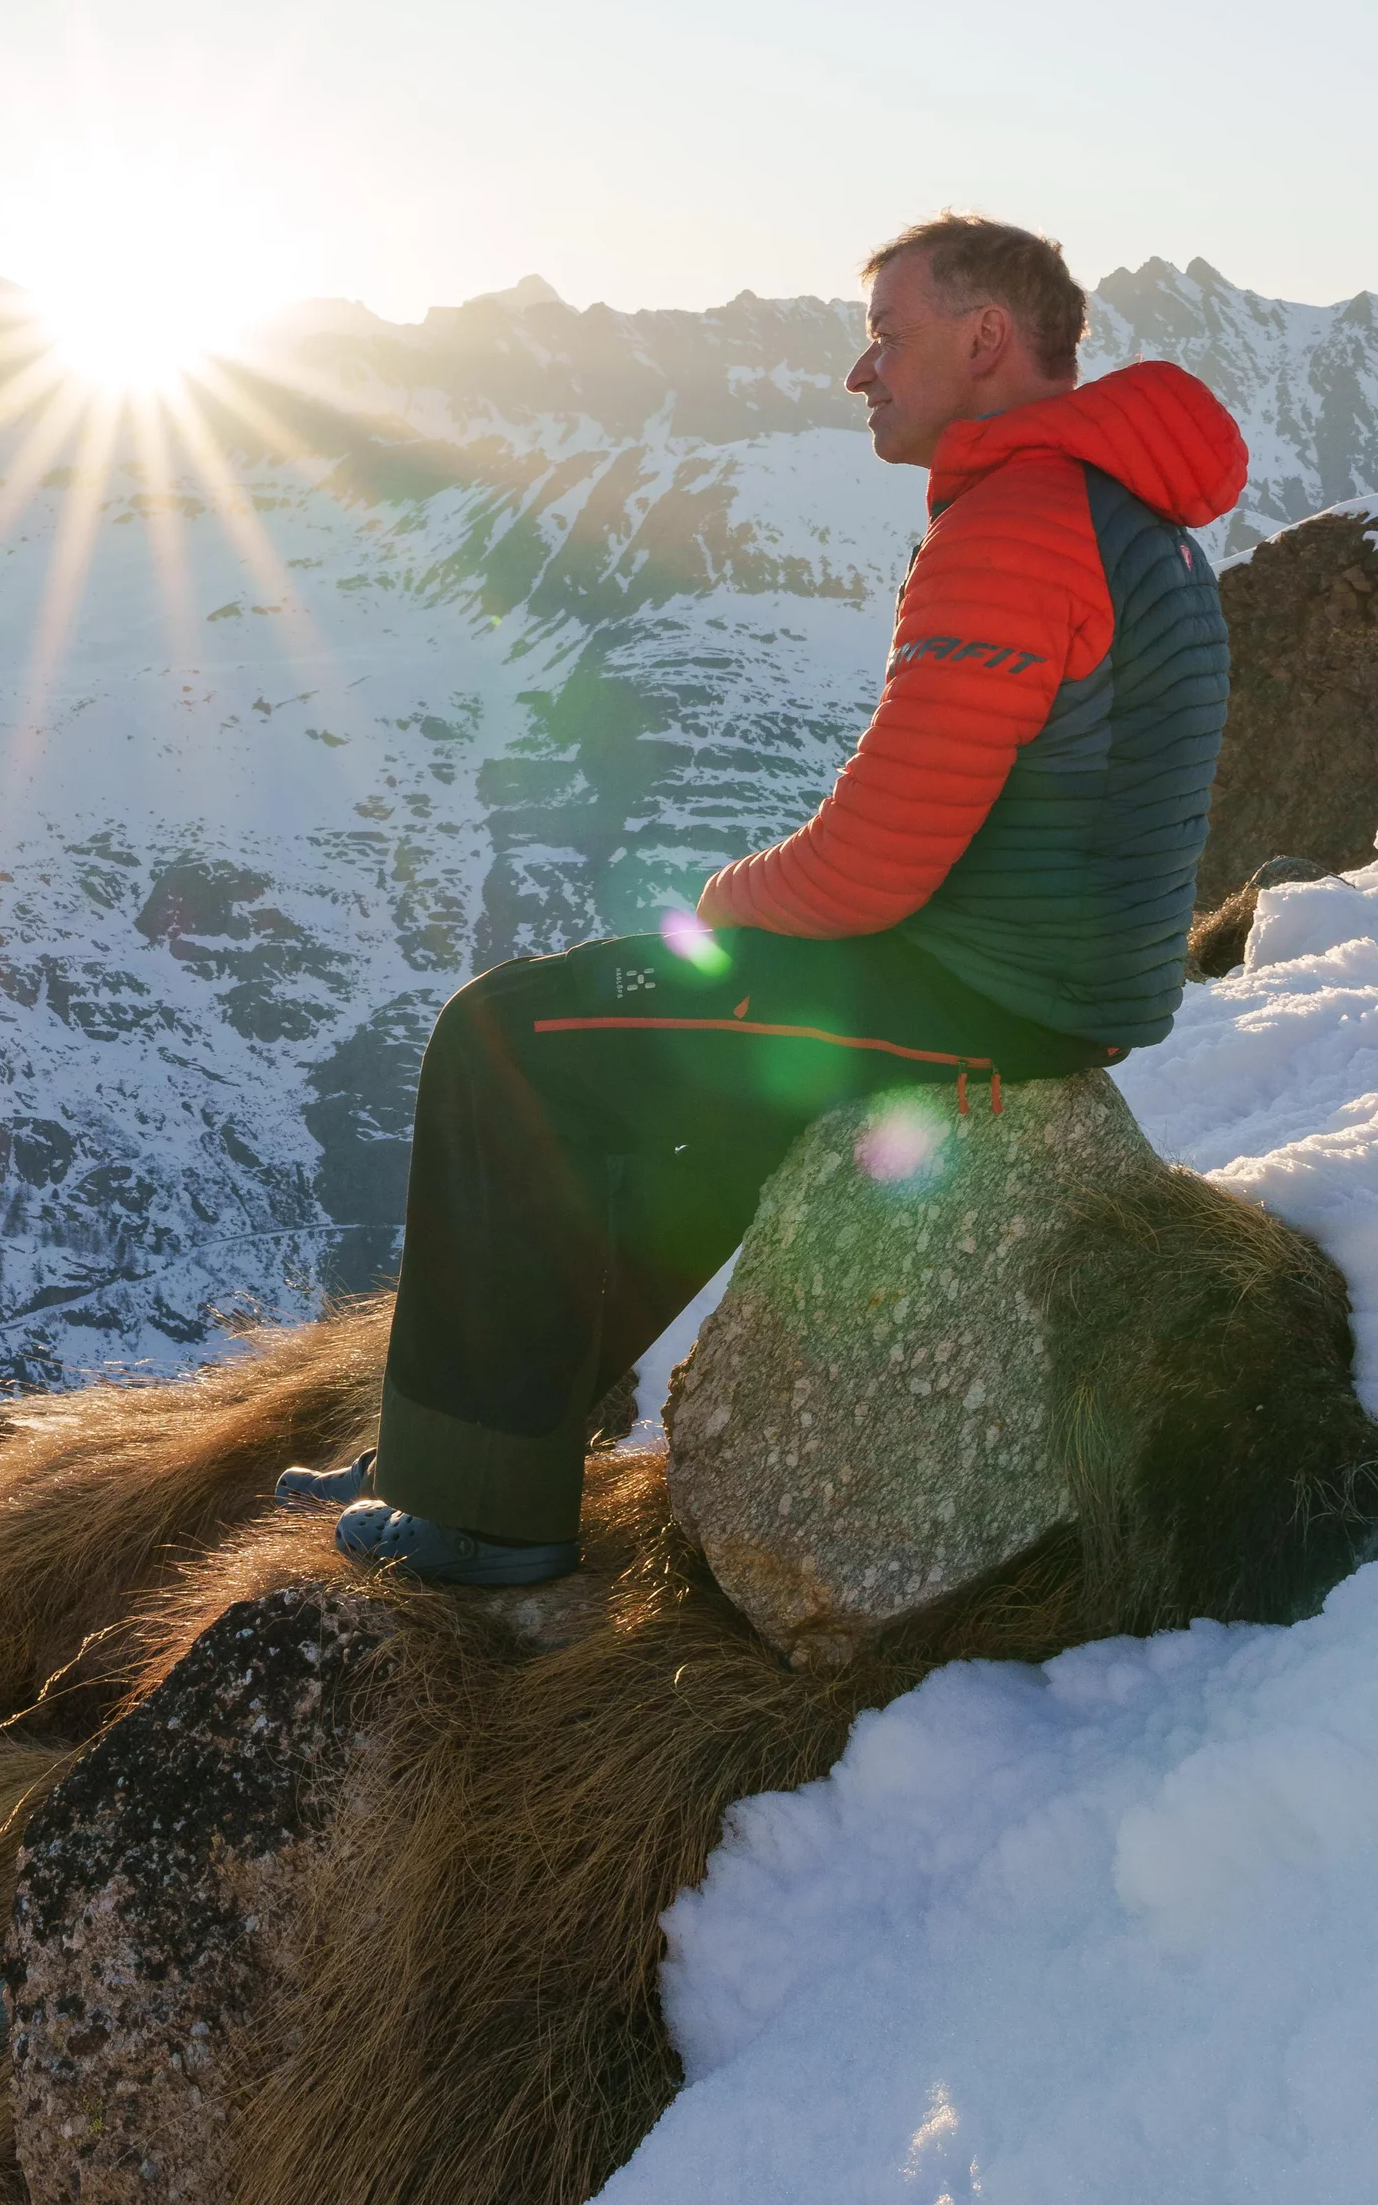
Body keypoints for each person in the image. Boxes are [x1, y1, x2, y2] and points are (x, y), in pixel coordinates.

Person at [280, 215, 1248, 1586]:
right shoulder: (1126, 517)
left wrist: (717, 913)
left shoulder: (1023, 524)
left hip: (985, 993)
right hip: (1047, 982)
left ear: (987, 339)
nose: (862, 372)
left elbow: (875, 860)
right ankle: (464, 1453)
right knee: (693, 1110)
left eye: (885, 334)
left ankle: (485, 1522)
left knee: (502, 1037)